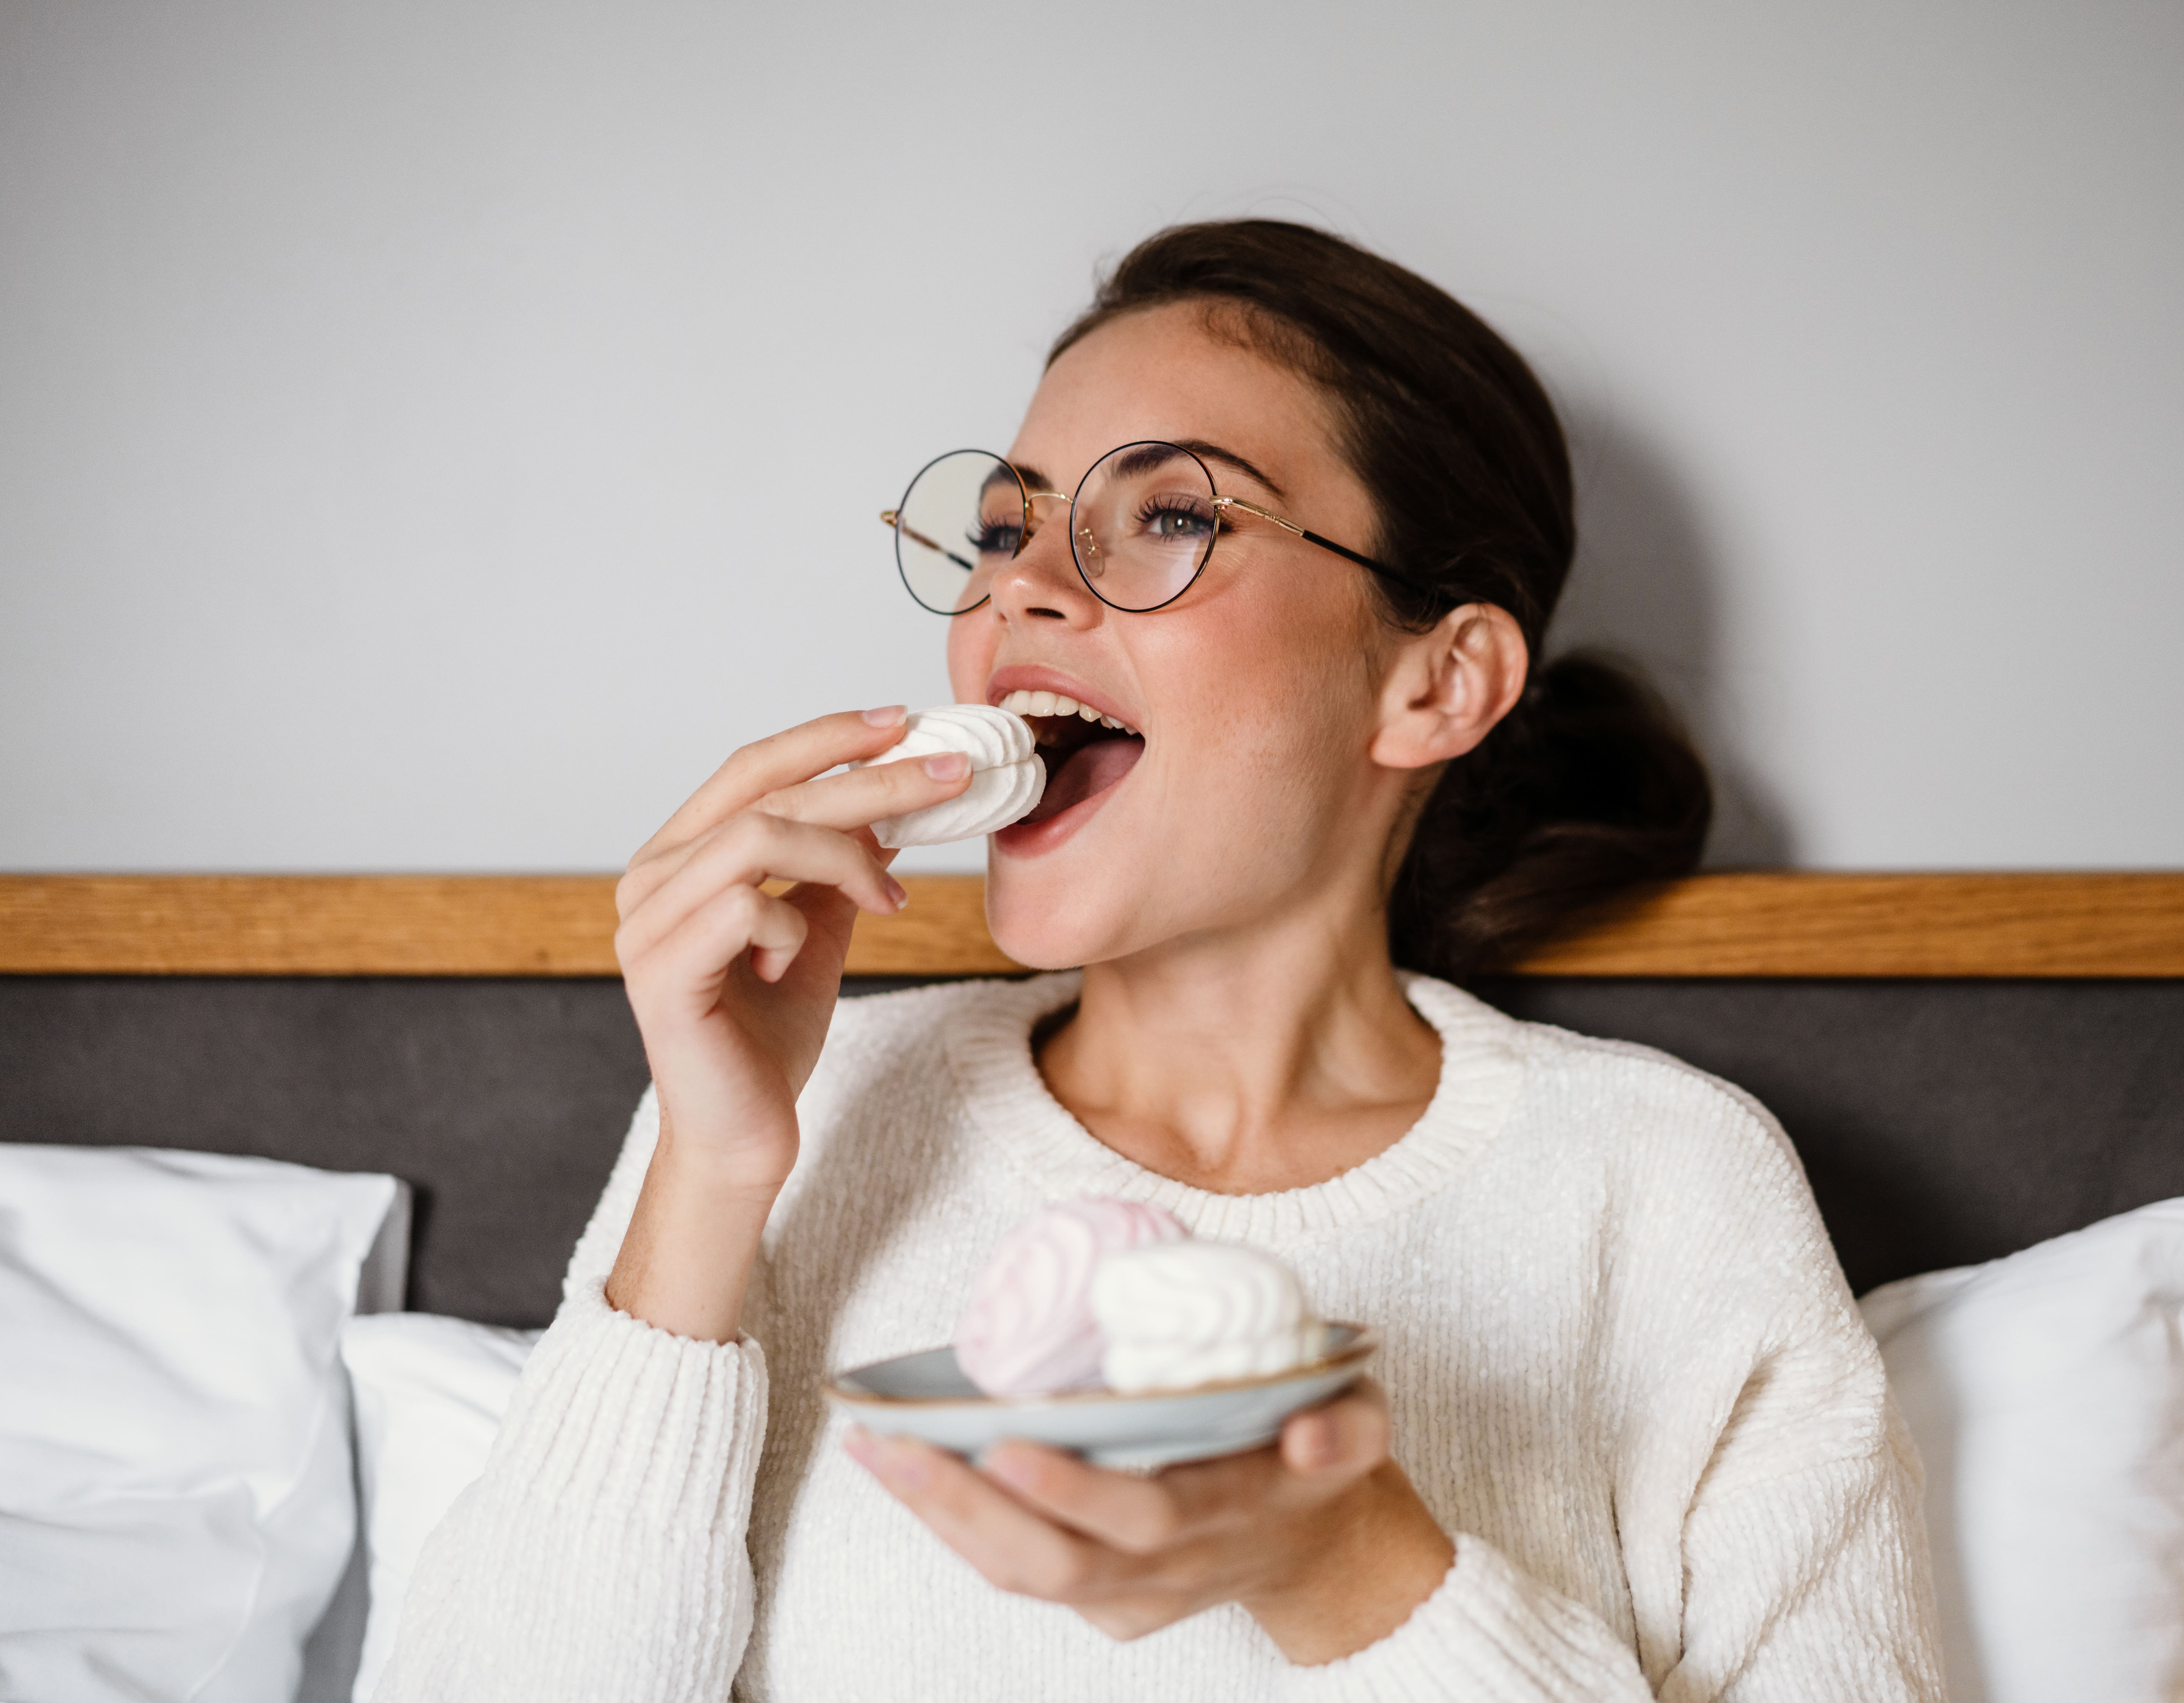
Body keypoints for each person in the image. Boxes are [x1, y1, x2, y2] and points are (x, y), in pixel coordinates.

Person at [381, 220, 1944, 1701]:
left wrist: (1343, 1562)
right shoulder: (800, 1114)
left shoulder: (1667, 1187)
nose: (1019, 585)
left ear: (1438, 684)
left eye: (1175, 516)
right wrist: (712, 1174)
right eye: (1005, 528)